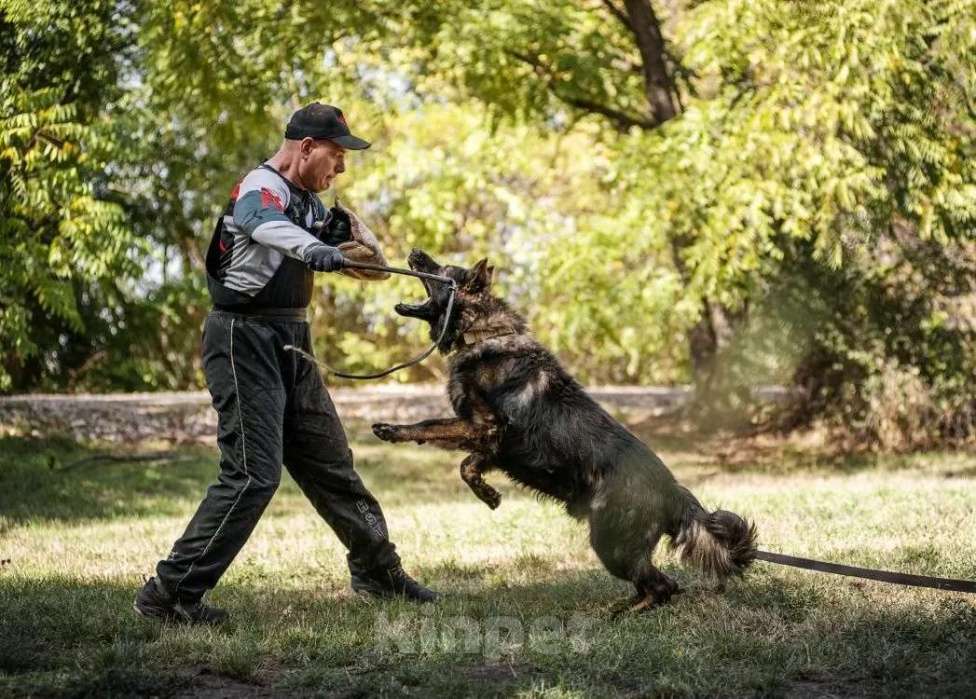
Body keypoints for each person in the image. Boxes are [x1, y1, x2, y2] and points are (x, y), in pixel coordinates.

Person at [134, 102, 437, 625]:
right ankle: (170, 593)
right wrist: (313, 250)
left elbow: (366, 263)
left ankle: (378, 572)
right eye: (337, 154)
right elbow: (261, 223)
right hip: (242, 339)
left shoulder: (310, 205)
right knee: (252, 474)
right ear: (307, 147)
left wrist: (357, 246)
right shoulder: (261, 187)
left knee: (331, 461)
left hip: (292, 339)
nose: (341, 167)